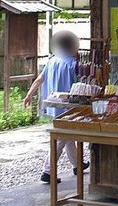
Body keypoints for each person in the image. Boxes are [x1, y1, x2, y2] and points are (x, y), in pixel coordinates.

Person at [23, 30, 89, 183]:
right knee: (62, 137)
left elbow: (40, 79)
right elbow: (80, 86)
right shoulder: (73, 65)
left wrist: (29, 95)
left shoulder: (52, 61)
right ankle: (47, 171)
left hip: (54, 106)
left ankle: (77, 165)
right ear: (73, 46)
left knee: (67, 136)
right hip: (69, 108)